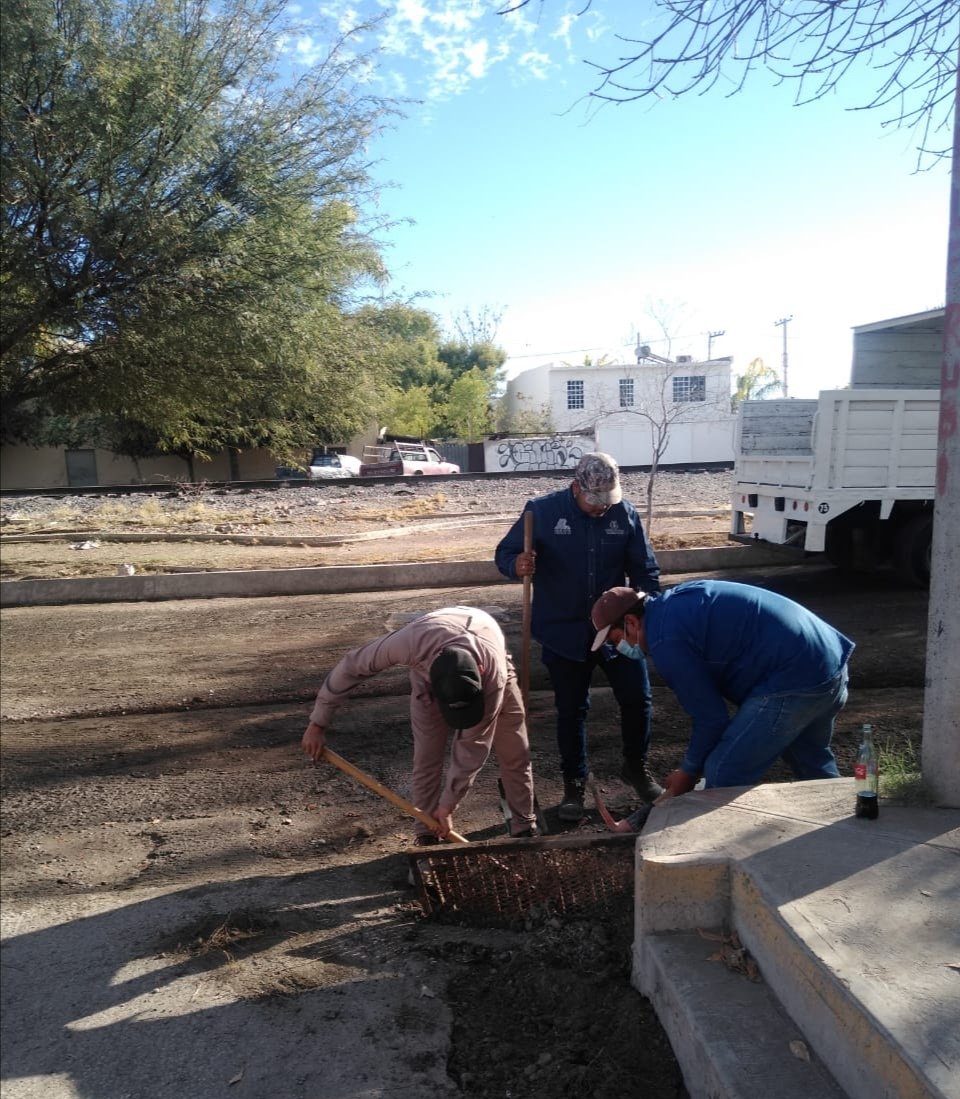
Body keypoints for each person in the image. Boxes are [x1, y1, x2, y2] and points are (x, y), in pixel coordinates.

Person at [494, 452, 663, 822]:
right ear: (576, 487)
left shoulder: (625, 513)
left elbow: (645, 570)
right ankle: (574, 786)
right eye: (594, 500)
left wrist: (643, 612)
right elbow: (505, 553)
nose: (602, 508)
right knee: (572, 711)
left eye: (608, 500)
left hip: (617, 629)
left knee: (638, 699)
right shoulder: (541, 511)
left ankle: (635, 767)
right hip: (563, 630)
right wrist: (516, 565)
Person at [589, 581, 855, 801]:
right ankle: (848, 833)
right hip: (828, 662)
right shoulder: (674, 605)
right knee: (811, 762)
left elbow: (711, 719)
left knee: (724, 771)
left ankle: (713, 855)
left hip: (792, 678)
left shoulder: (665, 640)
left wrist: (688, 773)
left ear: (632, 622)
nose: (621, 648)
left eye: (617, 640)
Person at [301, 605, 538, 843]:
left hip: (487, 641)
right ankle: (426, 833)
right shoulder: (409, 643)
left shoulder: (493, 679)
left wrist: (447, 806)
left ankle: (524, 826)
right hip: (430, 657)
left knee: (514, 750)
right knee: (427, 755)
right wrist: (318, 723)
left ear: (481, 670)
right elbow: (351, 666)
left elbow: (472, 748)